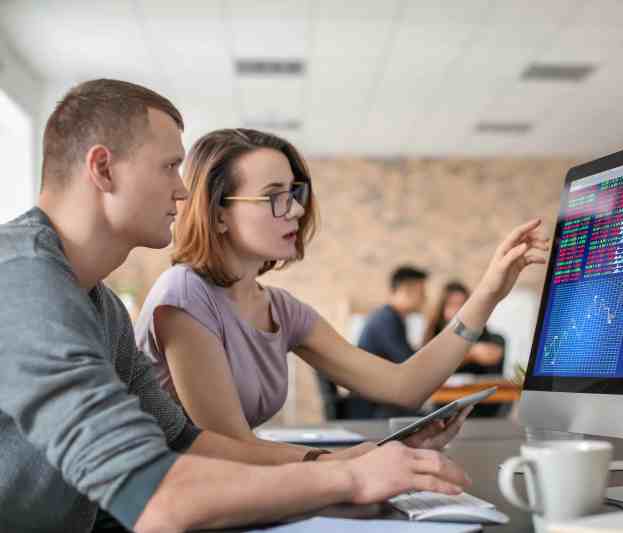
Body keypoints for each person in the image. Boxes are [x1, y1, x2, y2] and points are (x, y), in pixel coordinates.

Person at [0, 79, 471, 533]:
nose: (184, 192)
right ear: (103, 169)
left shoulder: (100, 305)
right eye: (169, 167)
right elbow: (156, 497)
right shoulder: (20, 282)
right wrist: (350, 476)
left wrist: (356, 459)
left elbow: (189, 442)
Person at [134, 127, 550, 443]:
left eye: (295, 193)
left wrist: (489, 293)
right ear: (218, 213)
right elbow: (230, 449)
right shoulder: (184, 295)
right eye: (275, 195)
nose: (296, 209)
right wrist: (370, 457)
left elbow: (404, 386)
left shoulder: (281, 308)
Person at [351, 265, 430, 418]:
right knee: (431, 415)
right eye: (421, 293)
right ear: (405, 290)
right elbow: (409, 363)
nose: (425, 298)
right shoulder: (386, 320)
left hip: (380, 401)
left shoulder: (392, 318)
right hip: (373, 409)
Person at [424, 280, 507, 417]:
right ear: (441, 309)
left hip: (481, 406)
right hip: (445, 406)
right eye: (452, 305)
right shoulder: (434, 337)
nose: (458, 310)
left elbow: (493, 366)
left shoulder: (486, 336)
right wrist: (470, 354)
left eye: (463, 305)